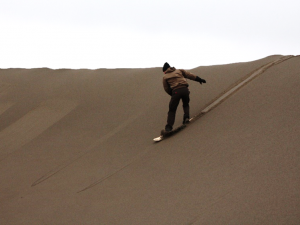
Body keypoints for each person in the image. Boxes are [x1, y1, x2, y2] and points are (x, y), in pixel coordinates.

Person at [162, 62, 206, 132]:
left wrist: (173, 94)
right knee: (185, 104)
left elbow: (166, 88)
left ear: (165, 71)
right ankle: (186, 117)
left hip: (176, 92)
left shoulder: (165, 77)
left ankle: (169, 127)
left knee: (172, 109)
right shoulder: (179, 71)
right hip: (185, 90)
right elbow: (190, 75)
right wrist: (199, 79)